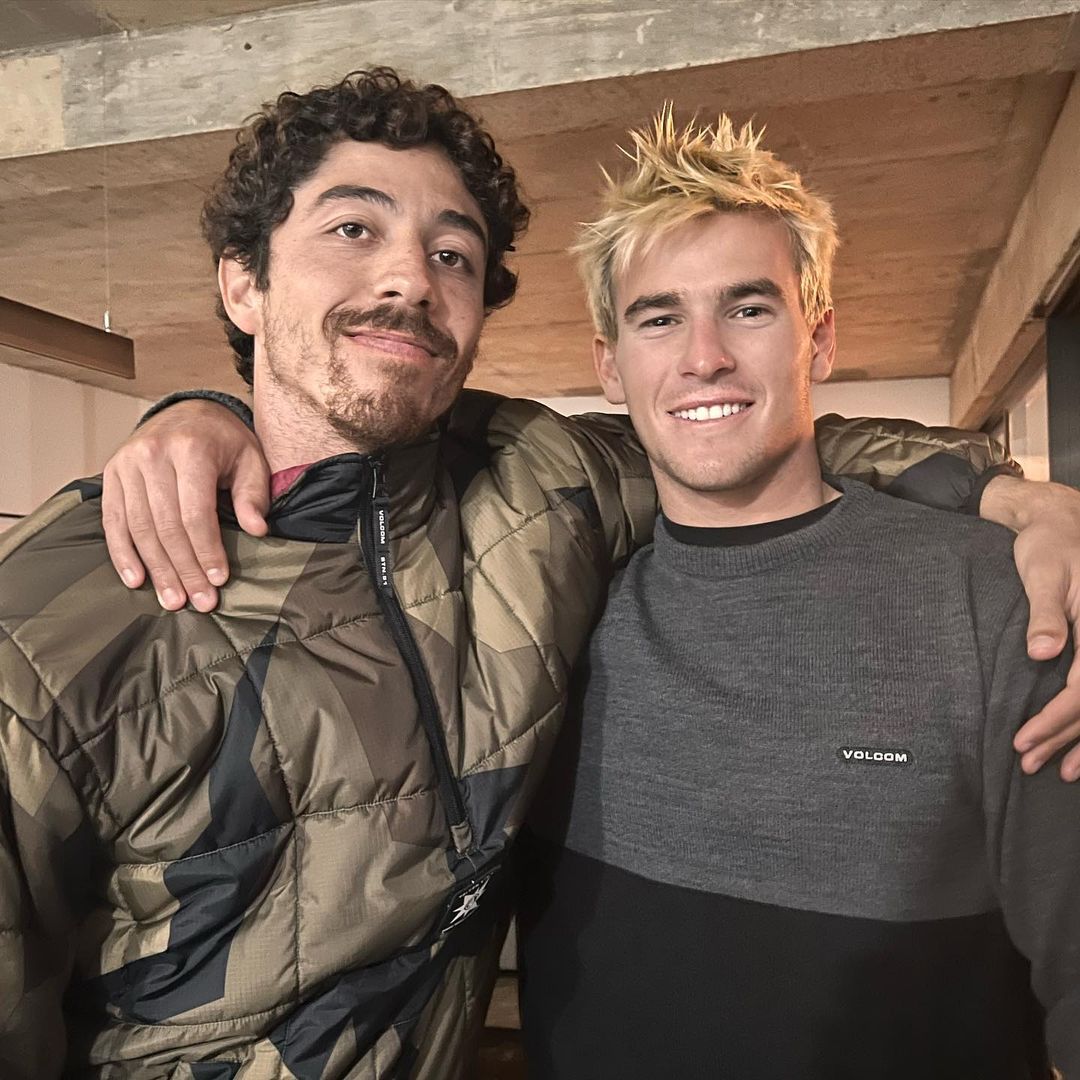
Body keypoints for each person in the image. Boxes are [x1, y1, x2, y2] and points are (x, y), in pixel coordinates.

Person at [1, 68, 1078, 1079]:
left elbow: (736, 434)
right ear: (243, 282)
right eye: (353, 228)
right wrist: (196, 410)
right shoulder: (51, 624)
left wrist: (1016, 496)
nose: (408, 279)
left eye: (453, 253)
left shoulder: (536, 493)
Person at [516, 111, 1079, 1079]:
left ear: (817, 339)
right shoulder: (559, 608)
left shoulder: (998, 600)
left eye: (748, 309)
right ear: (610, 366)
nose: (703, 357)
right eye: (659, 318)